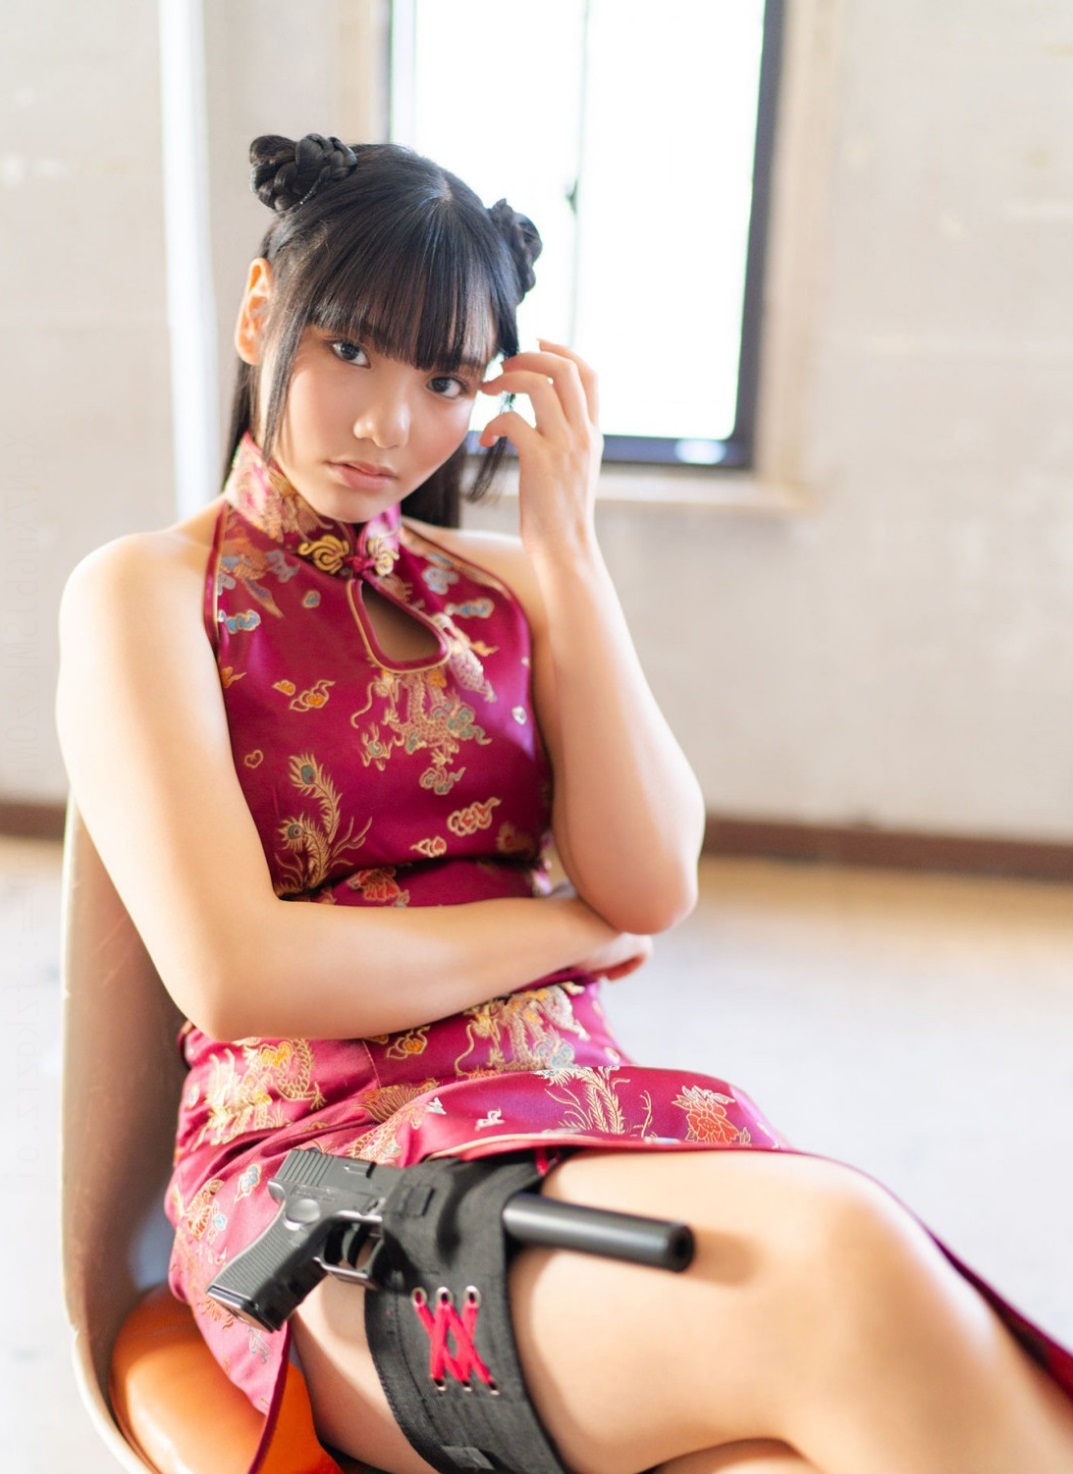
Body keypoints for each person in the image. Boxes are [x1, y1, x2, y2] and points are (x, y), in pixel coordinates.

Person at [57, 133, 1073, 1474]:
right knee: (842, 1258)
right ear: (262, 315)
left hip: (567, 1124)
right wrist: (558, 930)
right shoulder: (146, 592)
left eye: (441, 380)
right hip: (329, 1196)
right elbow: (242, 975)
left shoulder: (511, 588)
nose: (388, 425)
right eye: (348, 349)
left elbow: (649, 883)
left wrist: (570, 550)